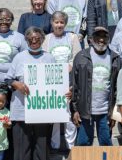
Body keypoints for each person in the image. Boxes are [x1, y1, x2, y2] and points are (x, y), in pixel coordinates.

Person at [5, 27, 57, 160]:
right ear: (26, 40)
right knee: (22, 151)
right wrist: (16, 84)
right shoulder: (19, 57)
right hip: (21, 112)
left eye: (37, 38)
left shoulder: (49, 58)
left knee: (42, 150)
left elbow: (57, 83)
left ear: (42, 39)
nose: (34, 41)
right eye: (31, 39)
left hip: (42, 112)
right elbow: (8, 79)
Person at [71, 27, 122, 147]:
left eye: (104, 37)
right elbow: (75, 84)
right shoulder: (81, 56)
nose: (101, 40)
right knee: (83, 144)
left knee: (106, 144)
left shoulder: (115, 58)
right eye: (97, 36)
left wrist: (114, 112)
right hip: (85, 110)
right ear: (91, 39)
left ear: (108, 39)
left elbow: (117, 88)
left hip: (105, 111)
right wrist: (75, 110)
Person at [43, 11, 80, 150]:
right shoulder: (46, 39)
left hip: (69, 79)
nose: (59, 25)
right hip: (51, 80)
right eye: (56, 22)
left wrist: (69, 68)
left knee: (68, 114)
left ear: (65, 24)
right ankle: (55, 145)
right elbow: (44, 59)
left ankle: (71, 145)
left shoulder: (72, 37)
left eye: (61, 22)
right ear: (52, 23)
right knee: (55, 114)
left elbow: (77, 58)